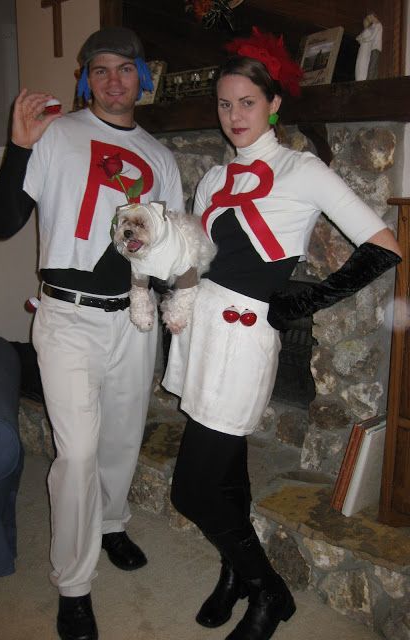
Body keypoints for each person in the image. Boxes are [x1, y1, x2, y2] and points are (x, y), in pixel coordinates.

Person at [161, 27, 401, 640]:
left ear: (273, 104)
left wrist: (304, 301)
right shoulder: (213, 179)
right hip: (200, 330)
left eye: (247, 102)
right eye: (224, 103)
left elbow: (384, 244)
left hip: (243, 339)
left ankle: (270, 590)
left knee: (191, 489)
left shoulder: (303, 169)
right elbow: (200, 253)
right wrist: (170, 289)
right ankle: (233, 575)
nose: (233, 115)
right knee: (227, 471)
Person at [0, 26, 184, 640]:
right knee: (76, 454)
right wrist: (17, 147)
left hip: (133, 315)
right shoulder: (57, 135)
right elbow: (1, 222)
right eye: (99, 70)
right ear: (85, 78)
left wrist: (180, 312)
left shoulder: (161, 157)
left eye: (125, 68)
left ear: (142, 77)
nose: (113, 80)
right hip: (67, 316)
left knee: (124, 435)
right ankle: (73, 583)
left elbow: (170, 246)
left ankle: (112, 523)